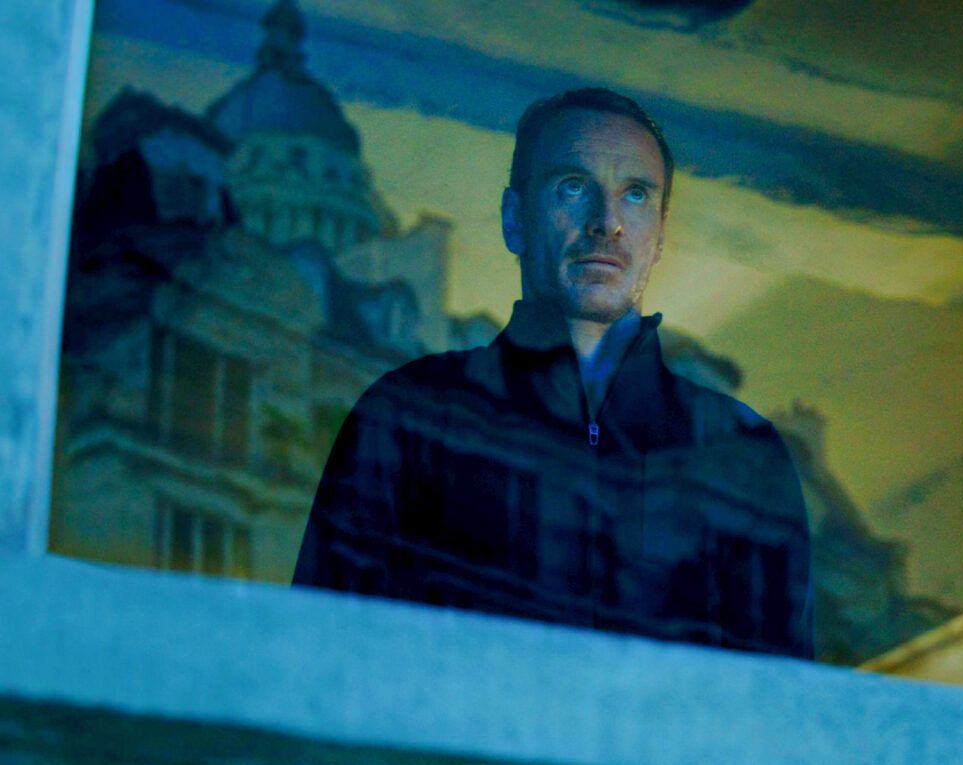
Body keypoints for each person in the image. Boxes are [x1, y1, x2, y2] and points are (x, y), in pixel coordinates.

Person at [294, 88, 813, 659]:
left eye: (635, 194)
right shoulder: (405, 414)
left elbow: (783, 696)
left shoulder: (746, 453)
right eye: (572, 186)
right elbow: (321, 658)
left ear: (660, 236)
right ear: (514, 219)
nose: (607, 223)